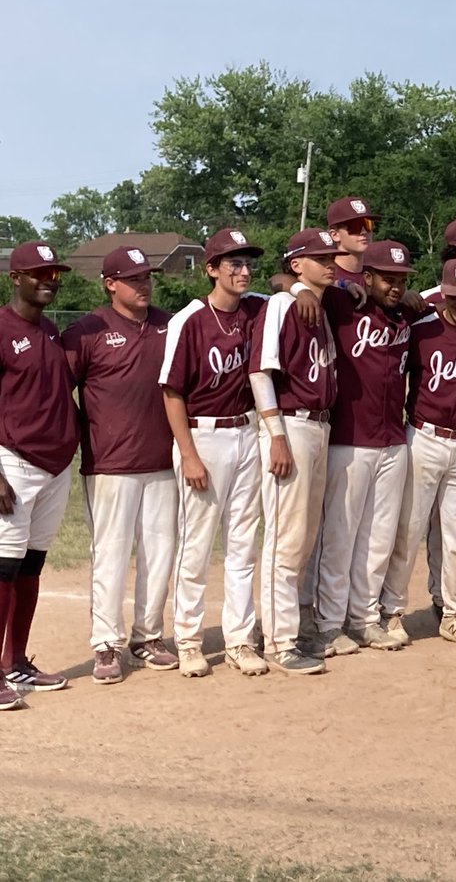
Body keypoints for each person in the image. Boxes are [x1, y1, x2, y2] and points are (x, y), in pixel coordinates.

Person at [64, 246, 178, 685]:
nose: (143, 284)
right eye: (133, 279)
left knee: (159, 552)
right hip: (110, 464)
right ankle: (105, 643)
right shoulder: (87, 330)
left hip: (162, 460)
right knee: (110, 555)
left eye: (146, 277)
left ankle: (148, 636)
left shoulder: (169, 324)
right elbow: (58, 389)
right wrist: (82, 432)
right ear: (110, 283)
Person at [160, 229, 268, 678]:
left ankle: (240, 638)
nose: (243, 272)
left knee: (243, 545)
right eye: (233, 264)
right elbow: (172, 392)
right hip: (203, 437)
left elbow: (291, 288)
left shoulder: (257, 309)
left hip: (246, 433)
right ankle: (188, 638)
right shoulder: (189, 320)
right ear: (210, 270)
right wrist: (188, 453)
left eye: (247, 264)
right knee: (198, 543)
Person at [391, 256, 456, 645]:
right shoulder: (421, 330)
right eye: (454, 295)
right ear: (442, 292)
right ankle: (391, 611)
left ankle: (455, 613)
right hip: (423, 437)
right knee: (408, 529)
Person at [249, 229, 341, 675]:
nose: (331, 263)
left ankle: (288, 631)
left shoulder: (318, 305)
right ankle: (279, 641)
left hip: (318, 427)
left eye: (331, 256)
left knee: (302, 537)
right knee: (285, 538)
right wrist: (277, 433)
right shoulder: (282, 305)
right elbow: (260, 372)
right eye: (320, 257)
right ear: (296, 264)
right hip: (291, 425)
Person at [313, 240, 412, 656]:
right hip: (349, 440)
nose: (395, 286)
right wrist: (313, 287)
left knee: (378, 538)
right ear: (366, 277)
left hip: (393, 439)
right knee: (339, 537)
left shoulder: (409, 313)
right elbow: (285, 280)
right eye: (387, 278)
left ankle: (365, 618)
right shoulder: (341, 303)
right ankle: (328, 624)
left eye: (401, 279)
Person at [0, 241, 79, 707]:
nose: (50, 280)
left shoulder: (50, 331)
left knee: (31, 567)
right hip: (12, 462)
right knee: (4, 569)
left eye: (54, 273)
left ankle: (16, 663)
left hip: (54, 467)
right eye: (40, 273)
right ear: (15, 278)